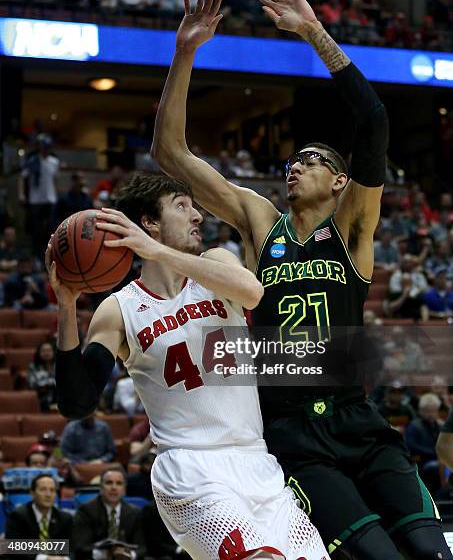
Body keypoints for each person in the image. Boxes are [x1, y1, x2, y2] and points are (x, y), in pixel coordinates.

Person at [151, 0, 452, 560]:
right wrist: (185, 52)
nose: (296, 165)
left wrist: (315, 32)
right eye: (294, 159)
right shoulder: (261, 221)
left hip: (357, 420)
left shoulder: (354, 229)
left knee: (428, 549)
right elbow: (171, 154)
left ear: (340, 181)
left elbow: (374, 119)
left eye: (312, 160)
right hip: (292, 431)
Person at [49, 171, 329, 560]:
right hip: (190, 470)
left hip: (257, 462)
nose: (197, 216)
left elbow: (251, 291)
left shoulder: (215, 265)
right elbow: (76, 403)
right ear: (149, 223)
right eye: (182, 207)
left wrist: (155, 251)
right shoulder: (119, 309)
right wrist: (66, 305)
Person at [72, 466, 146, 560]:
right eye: (109, 483)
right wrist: (106, 554)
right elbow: (80, 547)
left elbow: (142, 547)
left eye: (119, 483)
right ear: (101, 488)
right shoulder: (86, 511)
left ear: (124, 490)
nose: (114, 487)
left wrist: (129, 555)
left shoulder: (135, 513)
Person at [5, 474, 72, 554]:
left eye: (52, 490)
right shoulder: (18, 516)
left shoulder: (64, 518)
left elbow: (71, 548)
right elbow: (11, 547)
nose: (48, 494)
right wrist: (45, 558)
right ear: (32, 493)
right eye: (43, 490)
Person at [27, 341, 57, 412]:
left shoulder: (58, 365)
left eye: (49, 350)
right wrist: (52, 383)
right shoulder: (33, 367)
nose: (47, 353)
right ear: (39, 353)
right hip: (41, 396)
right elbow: (32, 384)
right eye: (44, 351)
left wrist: (46, 383)